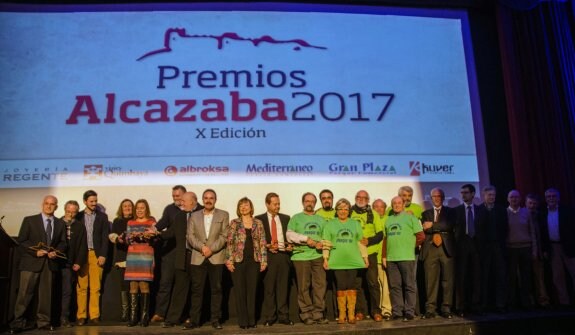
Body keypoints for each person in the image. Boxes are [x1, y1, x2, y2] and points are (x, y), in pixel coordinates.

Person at [10, 195, 67, 333]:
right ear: (42, 204)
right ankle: (18, 322)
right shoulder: (30, 220)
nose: (49, 206)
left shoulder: (60, 224)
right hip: (31, 262)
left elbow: (63, 242)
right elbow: (22, 241)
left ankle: (44, 322)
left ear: (56, 207)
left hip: (49, 263)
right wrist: (35, 253)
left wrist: (56, 251)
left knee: (46, 296)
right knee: (24, 295)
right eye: (47, 203)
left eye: (52, 204)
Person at [187, 189, 229, 330]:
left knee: (216, 290)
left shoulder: (223, 215)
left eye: (211, 198)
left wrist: (211, 249)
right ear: (202, 199)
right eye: (206, 198)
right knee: (197, 290)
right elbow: (190, 236)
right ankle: (194, 320)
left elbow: (224, 236)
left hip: (216, 257)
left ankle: (215, 320)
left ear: (215, 200)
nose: (208, 200)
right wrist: (202, 247)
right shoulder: (194, 215)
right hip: (198, 256)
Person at [160, 192, 203, 328]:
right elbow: (171, 232)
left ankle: (194, 319)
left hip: (198, 256)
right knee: (179, 289)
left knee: (197, 290)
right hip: (182, 257)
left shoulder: (203, 213)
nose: (181, 203)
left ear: (193, 201)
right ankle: (172, 319)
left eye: (184, 201)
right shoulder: (180, 216)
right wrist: (156, 234)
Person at [322, 198, 368, 324]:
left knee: (352, 286)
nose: (343, 211)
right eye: (340, 209)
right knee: (341, 286)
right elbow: (326, 242)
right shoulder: (330, 224)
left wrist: (365, 257)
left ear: (349, 211)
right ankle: (342, 314)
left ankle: (351, 314)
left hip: (353, 260)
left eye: (345, 209)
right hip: (337, 261)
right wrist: (325, 258)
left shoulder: (355, 224)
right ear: (336, 210)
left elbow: (361, 242)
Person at [225, 197, 267, 329]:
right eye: (241, 206)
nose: (243, 207)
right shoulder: (234, 223)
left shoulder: (258, 223)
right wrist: (229, 260)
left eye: (246, 205)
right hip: (238, 261)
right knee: (240, 291)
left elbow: (262, 242)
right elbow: (230, 242)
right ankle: (243, 322)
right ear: (238, 208)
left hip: (254, 261)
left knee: (252, 291)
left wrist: (264, 260)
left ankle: (251, 321)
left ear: (251, 207)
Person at [286, 192, 327, 325]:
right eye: (307, 201)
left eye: (312, 201)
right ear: (303, 203)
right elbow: (289, 235)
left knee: (319, 286)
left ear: (315, 203)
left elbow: (325, 237)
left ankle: (318, 314)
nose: (309, 203)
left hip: (318, 256)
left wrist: (321, 242)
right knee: (303, 287)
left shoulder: (321, 220)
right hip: (301, 257)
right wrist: (306, 239)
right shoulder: (296, 218)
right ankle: (306, 314)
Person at [382, 196, 425, 322]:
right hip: (391, 258)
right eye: (394, 203)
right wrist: (384, 256)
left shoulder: (411, 218)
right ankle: (397, 312)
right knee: (395, 286)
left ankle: (409, 312)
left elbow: (421, 236)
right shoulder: (388, 220)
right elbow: (385, 240)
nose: (396, 205)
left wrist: (410, 246)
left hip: (407, 257)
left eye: (399, 203)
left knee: (409, 285)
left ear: (404, 204)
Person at [255, 193, 294, 327]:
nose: (278, 206)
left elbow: (289, 237)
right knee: (269, 288)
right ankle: (270, 317)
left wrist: (290, 246)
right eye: (275, 204)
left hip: (283, 256)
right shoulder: (258, 219)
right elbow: (256, 239)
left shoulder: (286, 218)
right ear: (267, 204)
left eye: (278, 203)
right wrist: (266, 246)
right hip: (268, 256)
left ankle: (284, 316)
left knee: (283, 287)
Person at [151, 185, 186, 323]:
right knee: (165, 283)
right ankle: (160, 313)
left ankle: (182, 314)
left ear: (185, 195)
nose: (176, 198)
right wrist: (152, 229)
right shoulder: (169, 209)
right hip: (170, 252)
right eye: (174, 196)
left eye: (178, 196)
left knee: (182, 285)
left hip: (186, 252)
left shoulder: (194, 208)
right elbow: (161, 223)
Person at [420, 188, 455, 319]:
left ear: (443, 197)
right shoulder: (425, 213)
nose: (436, 198)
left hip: (446, 249)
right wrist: (439, 226)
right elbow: (425, 228)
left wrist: (433, 226)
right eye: (434, 196)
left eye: (439, 196)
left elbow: (449, 225)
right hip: (430, 249)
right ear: (430, 198)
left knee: (447, 280)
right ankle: (430, 309)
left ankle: (446, 308)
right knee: (430, 281)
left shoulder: (451, 212)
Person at [76, 190, 109, 325]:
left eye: (95, 201)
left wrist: (103, 255)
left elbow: (104, 238)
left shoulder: (102, 217)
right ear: (85, 202)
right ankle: (81, 316)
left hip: (96, 254)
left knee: (96, 287)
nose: (94, 203)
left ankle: (94, 315)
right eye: (91, 201)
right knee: (82, 287)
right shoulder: (77, 216)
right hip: (81, 255)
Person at [350, 190, 384, 321]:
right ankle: (359, 311)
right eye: (358, 197)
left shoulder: (374, 214)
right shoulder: (349, 212)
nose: (361, 199)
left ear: (368, 200)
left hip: (370, 253)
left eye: (364, 197)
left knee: (373, 283)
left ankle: (376, 311)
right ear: (355, 198)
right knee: (356, 284)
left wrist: (368, 241)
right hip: (354, 254)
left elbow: (380, 234)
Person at [538, 188, 575, 307]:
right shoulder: (542, 213)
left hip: (569, 248)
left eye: (553, 196)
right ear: (546, 199)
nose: (551, 199)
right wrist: (544, 250)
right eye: (548, 197)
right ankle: (564, 303)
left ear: (558, 198)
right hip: (553, 248)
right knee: (557, 277)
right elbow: (542, 233)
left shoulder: (568, 211)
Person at [125, 199, 158, 327]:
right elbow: (127, 239)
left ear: (146, 209)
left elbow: (155, 238)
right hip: (133, 256)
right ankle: (133, 317)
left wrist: (148, 235)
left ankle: (144, 317)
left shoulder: (151, 222)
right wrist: (131, 236)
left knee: (144, 285)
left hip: (145, 256)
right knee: (133, 286)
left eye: (142, 208)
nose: (139, 210)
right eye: (137, 208)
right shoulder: (130, 222)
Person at [478, 185, 508, 313]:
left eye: (493, 195)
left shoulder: (501, 210)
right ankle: (484, 304)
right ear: (484, 196)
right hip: (484, 248)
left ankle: (500, 304)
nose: (492, 197)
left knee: (500, 276)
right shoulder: (478, 209)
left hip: (498, 247)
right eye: (489, 195)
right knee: (484, 276)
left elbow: (505, 228)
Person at [454, 183, 482, 316]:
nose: (463, 195)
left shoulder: (481, 210)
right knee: (462, 277)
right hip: (462, 247)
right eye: (462, 192)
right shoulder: (456, 211)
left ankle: (475, 305)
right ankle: (461, 307)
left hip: (477, 246)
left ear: (472, 194)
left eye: (466, 192)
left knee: (476, 277)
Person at [506, 190, 536, 309]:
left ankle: (526, 303)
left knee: (526, 277)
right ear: (508, 199)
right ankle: (512, 303)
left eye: (516, 197)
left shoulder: (526, 212)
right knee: (511, 277)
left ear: (520, 199)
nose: (514, 199)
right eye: (512, 197)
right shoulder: (504, 212)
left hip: (526, 248)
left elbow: (532, 232)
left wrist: (534, 250)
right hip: (510, 249)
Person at [60, 200, 87, 327]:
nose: (70, 214)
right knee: (52, 291)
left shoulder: (80, 226)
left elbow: (82, 246)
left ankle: (64, 318)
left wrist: (78, 262)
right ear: (64, 210)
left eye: (73, 212)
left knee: (67, 291)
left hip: (69, 263)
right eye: (68, 211)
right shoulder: (57, 222)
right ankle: (50, 318)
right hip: (54, 261)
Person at [108, 199, 134, 322]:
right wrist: (118, 239)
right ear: (121, 208)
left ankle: (134, 312)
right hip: (122, 255)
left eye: (129, 206)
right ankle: (125, 312)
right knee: (124, 284)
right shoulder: (117, 221)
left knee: (134, 284)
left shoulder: (135, 220)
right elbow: (112, 235)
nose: (127, 208)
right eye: (125, 206)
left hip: (136, 255)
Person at [525, 193, 551, 308]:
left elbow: (545, 234)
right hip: (524, 251)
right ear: (525, 203)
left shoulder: (541, 216)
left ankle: (543, 301)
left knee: (539, 278)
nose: (532, 205)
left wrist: (544, 250)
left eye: (534, 203)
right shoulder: (521, 215)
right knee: (526, 278)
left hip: (539, 252)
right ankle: (529, 301)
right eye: (530, 203)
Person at [372, 198, 392, 320]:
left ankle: (386, 309)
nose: (379, 209)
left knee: (385, 285)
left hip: (384, 257)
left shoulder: (388, 220)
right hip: (372, 257)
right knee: (376, 286)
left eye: (381, 206)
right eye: (376, 206)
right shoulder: (371, 220)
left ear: (385, 208)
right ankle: (377, 309)